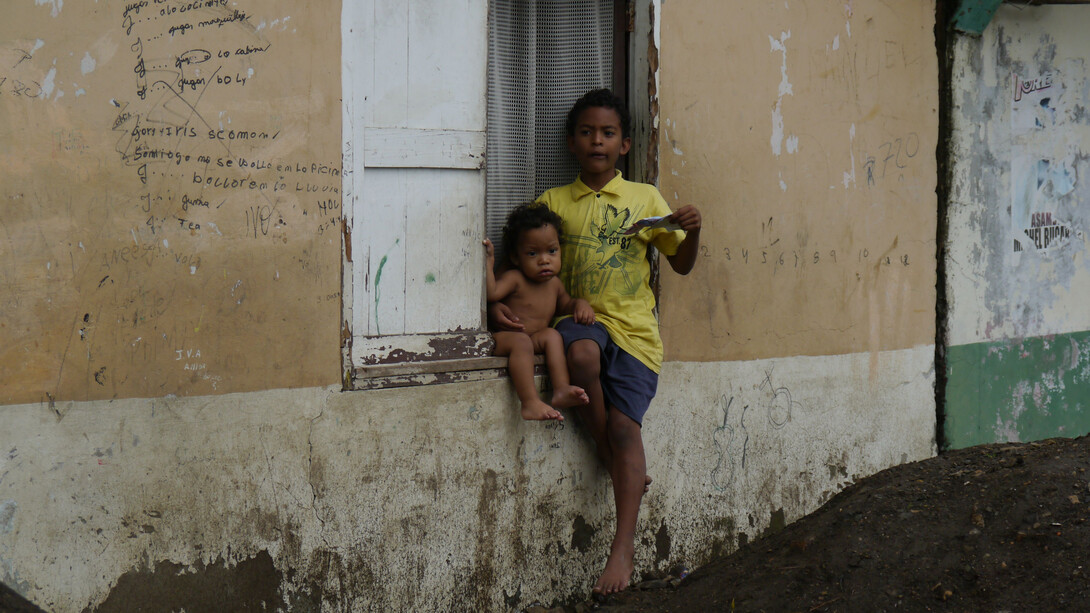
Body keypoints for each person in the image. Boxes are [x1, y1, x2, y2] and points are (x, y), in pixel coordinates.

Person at [492, 89, 702, 596]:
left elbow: (682, 263)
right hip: (580, 318)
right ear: (571, 142)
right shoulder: (553, 203)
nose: (597, 141)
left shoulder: (645, 199)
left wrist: (692, 232)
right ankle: (617, 465)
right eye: (586, 132)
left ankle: (622, 548)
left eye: (608, 133)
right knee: (582, 354)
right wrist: (500, 303)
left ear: (625, 144)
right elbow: (523, 263)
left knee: (629, 431)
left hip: (634, 331)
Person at [484, 202, 595, 421]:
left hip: (533, 338)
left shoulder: (554, 283)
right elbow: (491, 293)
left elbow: (566, 304)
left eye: (552, 251)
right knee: (522, 343)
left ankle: (561, 389)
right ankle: (529, 402)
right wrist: (488, 263)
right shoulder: (515, 279)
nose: (544, 260)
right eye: (533, 253)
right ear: (516, 257)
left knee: (552, 335)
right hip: (505, 339)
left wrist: (581, 304)